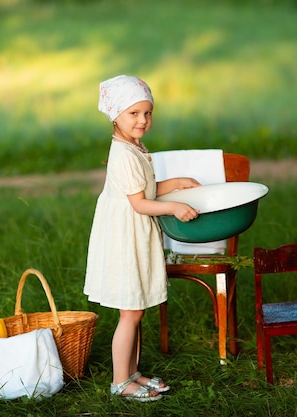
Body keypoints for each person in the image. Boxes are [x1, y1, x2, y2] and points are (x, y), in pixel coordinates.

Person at [83, 75, 201, 402]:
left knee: (137, 309)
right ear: (115, 115)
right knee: (130, 312)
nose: (142, 120)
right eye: (133, 113)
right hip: (125, 237)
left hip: (134, 230)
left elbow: (144, 189)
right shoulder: (122, 154)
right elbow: (139, 203)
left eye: (147, 113)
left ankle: (132, 373)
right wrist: (174, 207)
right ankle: (119, 382)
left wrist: (175, 182)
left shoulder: (133, 147)